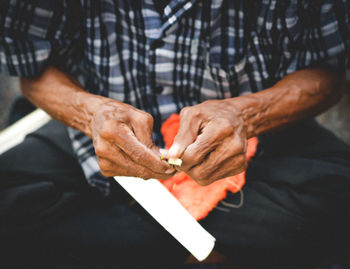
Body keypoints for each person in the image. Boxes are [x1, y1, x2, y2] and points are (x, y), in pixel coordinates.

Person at [1, 0, 350, 268]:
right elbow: (31, 70)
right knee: (10, 199)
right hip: (89, 143)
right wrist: (90, 114)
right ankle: (212, 250)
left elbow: (327, 73)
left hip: (261, 145)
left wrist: (245, 114)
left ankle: (134, 248)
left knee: (338, 195)